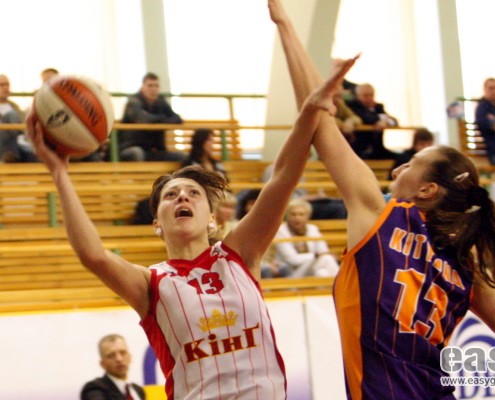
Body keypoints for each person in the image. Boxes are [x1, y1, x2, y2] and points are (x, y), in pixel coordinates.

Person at [28, 38, 358, 398]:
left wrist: (308, 112)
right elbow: (94, 256)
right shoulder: (152, 284)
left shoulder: (239, 254)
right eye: (170, 196)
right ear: (157, 224)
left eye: (193, 193)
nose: (182, 196)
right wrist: (59, 173)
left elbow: (282, 179)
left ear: (213, 220)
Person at [269, 0, 495, 398]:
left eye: (412, 164)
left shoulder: (381, 216)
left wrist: (285, 24)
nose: (399, 168)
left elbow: (319, 117)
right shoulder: (465, 265)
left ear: (427, 190)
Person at [119, 72, 187, 162]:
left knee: (183, 157)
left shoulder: (161, 101)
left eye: (156, 86)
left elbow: (177, 119)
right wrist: (163, 118)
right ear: (142, 87)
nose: (153, 89)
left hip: (154, 150)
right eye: (150, 86)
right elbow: (143, 120)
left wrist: (156, 119)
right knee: (137, 153)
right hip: (131, 147)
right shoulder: (133, 101)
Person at [273, 199, 339, 277]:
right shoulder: (281, 231)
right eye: (293, 214)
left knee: (322, 273)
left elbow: (323, 250)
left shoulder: (313, 229)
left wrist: (319, 255)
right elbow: (292, 260)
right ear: (287, 216)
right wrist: (316, 255)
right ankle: (341, 282)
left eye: (301, 214)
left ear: (308, 216)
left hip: (311, 268)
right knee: (326, 258)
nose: (297, 218)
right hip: (291, 272)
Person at [80, 334, 146, 400]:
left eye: (123, 353)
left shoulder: (138, 390)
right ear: (102, 363)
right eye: (111, 355)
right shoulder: (94, 389)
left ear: (130, 357)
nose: (119, 359)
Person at [345, 83, 399, 160]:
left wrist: (386, 121)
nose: (369, 98)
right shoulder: (353, 106)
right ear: (357, 96)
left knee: (402, 159)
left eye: (371, 95)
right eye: (366, 95)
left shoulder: (378, 107)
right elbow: (366, 119)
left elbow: (394, 122)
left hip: (377, 149)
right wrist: (382, 120)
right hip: (359, 150)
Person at [0, 74, 36, 162]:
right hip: (3, 146)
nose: (5, 88)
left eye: (7, 84)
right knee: (11, 115)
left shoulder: (16, 108)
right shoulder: (14, 112)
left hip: (19, 146)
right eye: (1, 85)